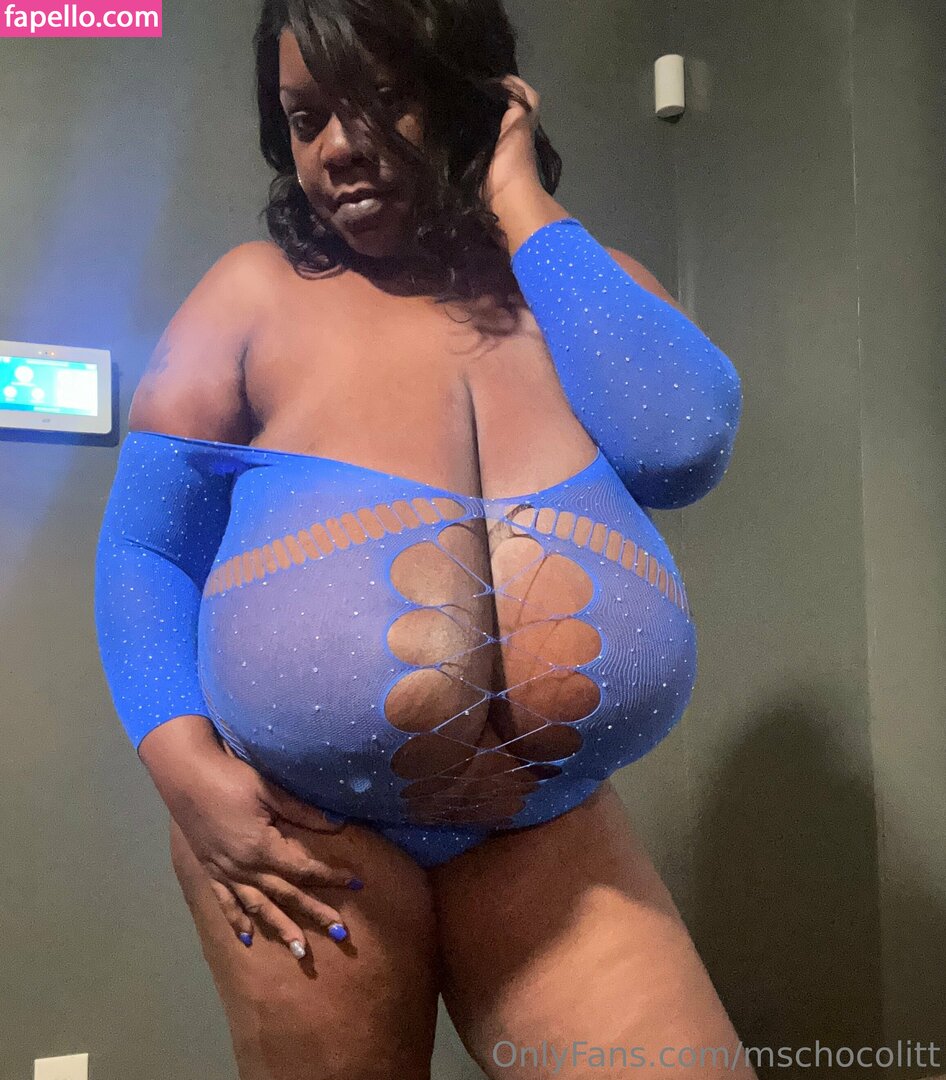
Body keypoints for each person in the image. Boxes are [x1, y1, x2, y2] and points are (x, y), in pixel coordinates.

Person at [94, 1, 754, 1077]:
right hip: (303, 841)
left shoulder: (574, 287)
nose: (338, 147)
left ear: (470, 96)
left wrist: (517, 196)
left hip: (550, 834)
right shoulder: (251, 296)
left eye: (381, 100)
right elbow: (145, 551)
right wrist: (182, 766)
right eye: (304, 118)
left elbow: (682, 443)